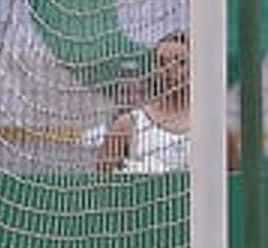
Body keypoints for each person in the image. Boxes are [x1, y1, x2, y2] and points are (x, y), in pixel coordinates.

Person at [97, 31, 236, 172]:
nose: (169, 69)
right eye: (162, 63)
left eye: (180, 62)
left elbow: (233, 185)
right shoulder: (128, 124)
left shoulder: (215, 128)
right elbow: (103, 184)